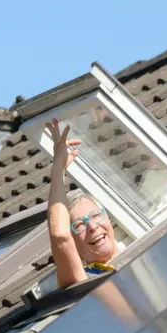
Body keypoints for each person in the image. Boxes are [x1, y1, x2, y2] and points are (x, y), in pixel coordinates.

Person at [45, 118, 120, 289]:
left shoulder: (142, 244)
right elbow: (60, 236)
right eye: (79, 225)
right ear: (74, 246)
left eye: (96, 215)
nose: (92, 227)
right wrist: (58, 169)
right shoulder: (83, 280)